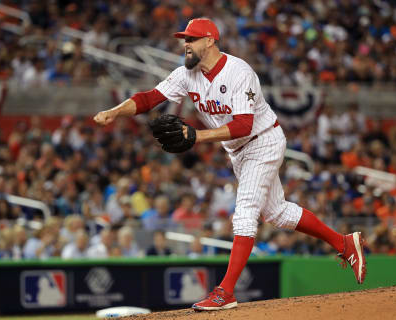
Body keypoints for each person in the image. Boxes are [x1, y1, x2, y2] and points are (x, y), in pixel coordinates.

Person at [94, 18, 366, 311]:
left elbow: (243, 125)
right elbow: (150, 98)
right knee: (276, 213)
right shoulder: (187, 74)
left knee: (246, 212)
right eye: (184, 39)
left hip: (262, 140)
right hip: (238, 152)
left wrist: (198, 136)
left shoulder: (239, 72)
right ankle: (344, 243)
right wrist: (116, 111)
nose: (185, 44)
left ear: (210, 40)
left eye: (191, 39)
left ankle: (225, 292)